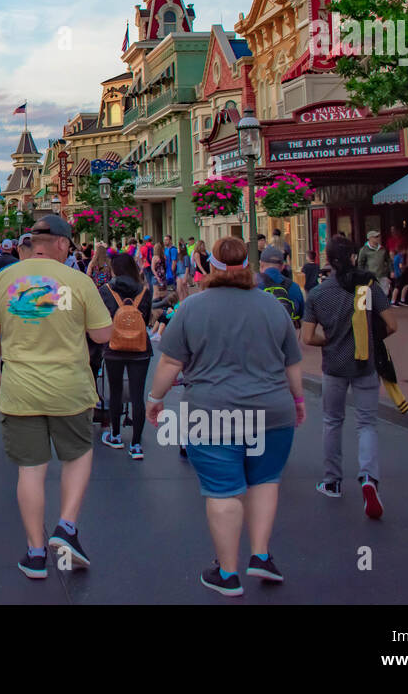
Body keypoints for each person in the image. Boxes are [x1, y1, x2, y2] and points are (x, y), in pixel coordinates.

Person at [146, 236, 305, 596]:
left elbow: (171, 361)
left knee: (223, 490)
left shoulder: (191, 308)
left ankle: (229, 573)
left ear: (210, 267)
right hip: (272, 410)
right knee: (265, 481)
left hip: (212, 412)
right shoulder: (271, 307)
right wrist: (298, 400)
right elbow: (293, 362)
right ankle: (261, 555)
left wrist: (155, 398)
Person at [0, 214, 112, 579]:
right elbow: (103, 336)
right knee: (78, 455)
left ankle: (35, 553)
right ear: (64, 244)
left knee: (31, 470)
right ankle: (66, 525)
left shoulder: (3, 280)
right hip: (70, 388)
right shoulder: (78, 281)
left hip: (20, 388)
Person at [302, 235, 396, 519]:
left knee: (332, 421)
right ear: (354, 257)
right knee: (366, 423)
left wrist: (330, 340)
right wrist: (367, 336)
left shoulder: (318, 294)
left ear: (327, 260)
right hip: (365, 363)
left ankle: (332, 481)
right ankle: (368, 478)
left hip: (334, 365)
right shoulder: (367, 287)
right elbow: (392, 324)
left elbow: (307, 337)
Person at [97, 252, 153, 458]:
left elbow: (100, 318)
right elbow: (146, 319)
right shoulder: (144, 290)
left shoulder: (106, 290)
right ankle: (136, 444)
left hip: (114, 347)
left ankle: (116, 435)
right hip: (140, 348)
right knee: (138, 394)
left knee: (116, 389)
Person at [257, 245, 304, 328]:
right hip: (286, 336)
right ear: (282, 266)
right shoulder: (294, 287)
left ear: (261, 264)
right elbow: (301, 315)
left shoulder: (251, 285)